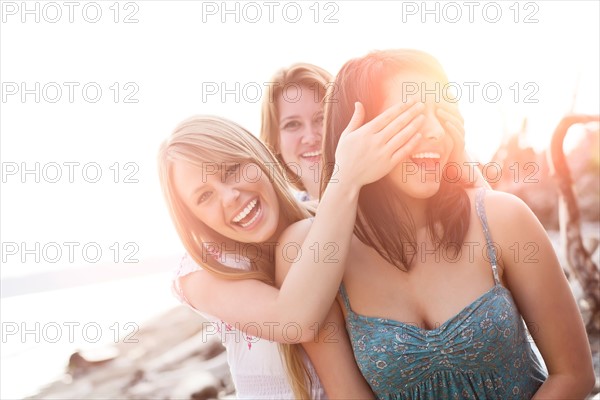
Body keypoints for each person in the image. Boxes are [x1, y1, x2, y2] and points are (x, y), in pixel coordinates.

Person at [282, 49, 596, 399]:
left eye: (440, 112)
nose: (434, 132)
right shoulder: (325, 268)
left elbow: (573, 374)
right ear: (356, 133)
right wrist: (345, 178)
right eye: (412, 116)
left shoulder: (502, 219)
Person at [158, 109, 422, 398]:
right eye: (204, 196)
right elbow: (294, 321)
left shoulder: (320, 218)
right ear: (193, 217)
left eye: (232, 170)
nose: (229, 196)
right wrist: (346, 179)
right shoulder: (203, 273)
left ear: (256, 154)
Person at [260, 63, 332, 201]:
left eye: (322, 118)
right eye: (292, 124)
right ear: (274, 143)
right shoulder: (289, 220)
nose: (311, 138)